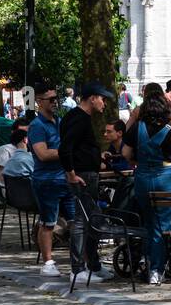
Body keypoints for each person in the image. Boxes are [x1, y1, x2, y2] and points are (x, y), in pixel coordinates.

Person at [123, 92, 171, 284]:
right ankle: (157, 269)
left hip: (143, 178)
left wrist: (139, 162)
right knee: (164, 226)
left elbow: (126, 153)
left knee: (150, 222)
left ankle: (148, 260)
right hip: (167, 179)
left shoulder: (137, 128)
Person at [59, 82, 114, 283]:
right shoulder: (79, 119)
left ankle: (93, 265)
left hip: (87, 173)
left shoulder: (78, 118)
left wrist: (96, 154)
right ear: (92, 98)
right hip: (83, 176)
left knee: (92, 221)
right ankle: (78, 269)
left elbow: (76, 147)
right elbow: (65, 148)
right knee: (82, 222)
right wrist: (71, 173)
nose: (104, 104)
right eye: (102, 99)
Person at [27, 82, 76, 277]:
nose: (55, 102)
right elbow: (43, 154)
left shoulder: (59, 121)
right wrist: (66, 152)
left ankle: (82, 263)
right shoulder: (37, 126)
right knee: (48, 223)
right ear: (39, 101)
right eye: (51, 99)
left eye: (57, 98)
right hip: (47, 180)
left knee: (76, 221)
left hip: (65, 178)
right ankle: (48, 262)